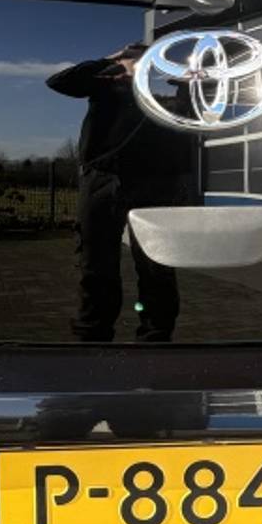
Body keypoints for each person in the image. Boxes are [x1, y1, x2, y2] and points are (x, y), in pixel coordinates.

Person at [46, 44, 198, 342]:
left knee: (157, 266)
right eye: (137, 61)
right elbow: (60, 82)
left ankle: (156, 337)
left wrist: (187, 82)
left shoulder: (173, 96)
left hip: (157, 183)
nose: (142, 68)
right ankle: (93, 335)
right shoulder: (106, 84)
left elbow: (198, 118)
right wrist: (113, 60)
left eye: (150, 63)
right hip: (103, 178)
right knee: (96, 264)